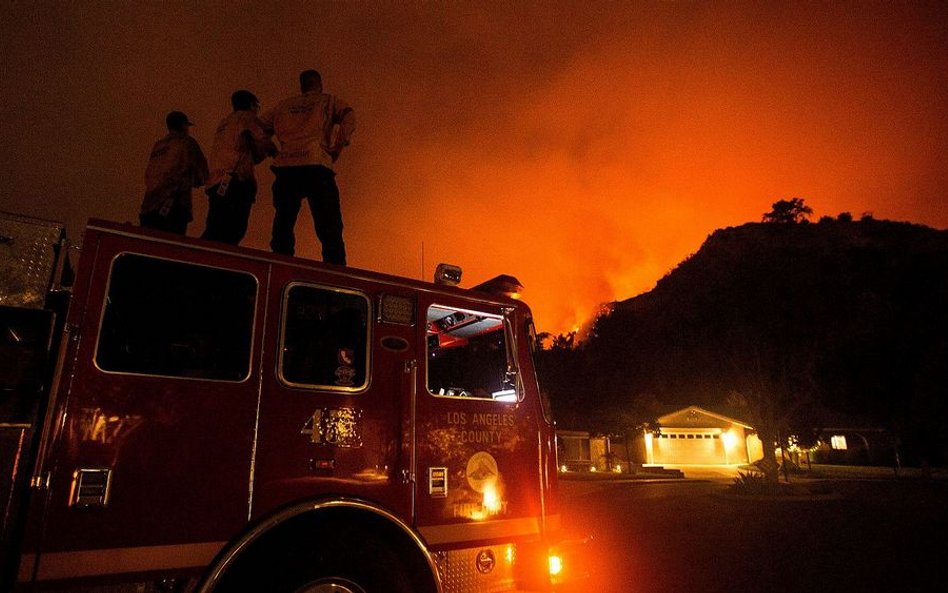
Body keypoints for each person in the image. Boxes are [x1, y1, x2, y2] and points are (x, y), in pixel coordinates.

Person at [261, 69, 356, 264]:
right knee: (329, 225)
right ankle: (335, 270)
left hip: (286, 166)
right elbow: (349, 115)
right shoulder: (327, 101)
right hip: (316, 164)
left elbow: (257, 127)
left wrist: (272, 150)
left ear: (301, 85)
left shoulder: (283, 106)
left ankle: (281, 262)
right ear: (319, 84)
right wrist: (339, 144)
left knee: (284, 221)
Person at [201, 90, 276, 245]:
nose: (257, 110)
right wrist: (276, 152)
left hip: (216, 181)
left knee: (215, 226)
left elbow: (248, 153)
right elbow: (262, 137)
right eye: (257, 106)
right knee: (234, 229)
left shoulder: (225, 123)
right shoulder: (246, 117)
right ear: (251, 105)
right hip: (235, 181)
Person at [139, 111, 209, 235]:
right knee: (170, 247)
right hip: (174, 205)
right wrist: (192, 179)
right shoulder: (187, 142)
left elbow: (148, 175)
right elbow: (203, 174)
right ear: (183, 126)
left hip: (148, 206)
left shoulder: (158, 146)